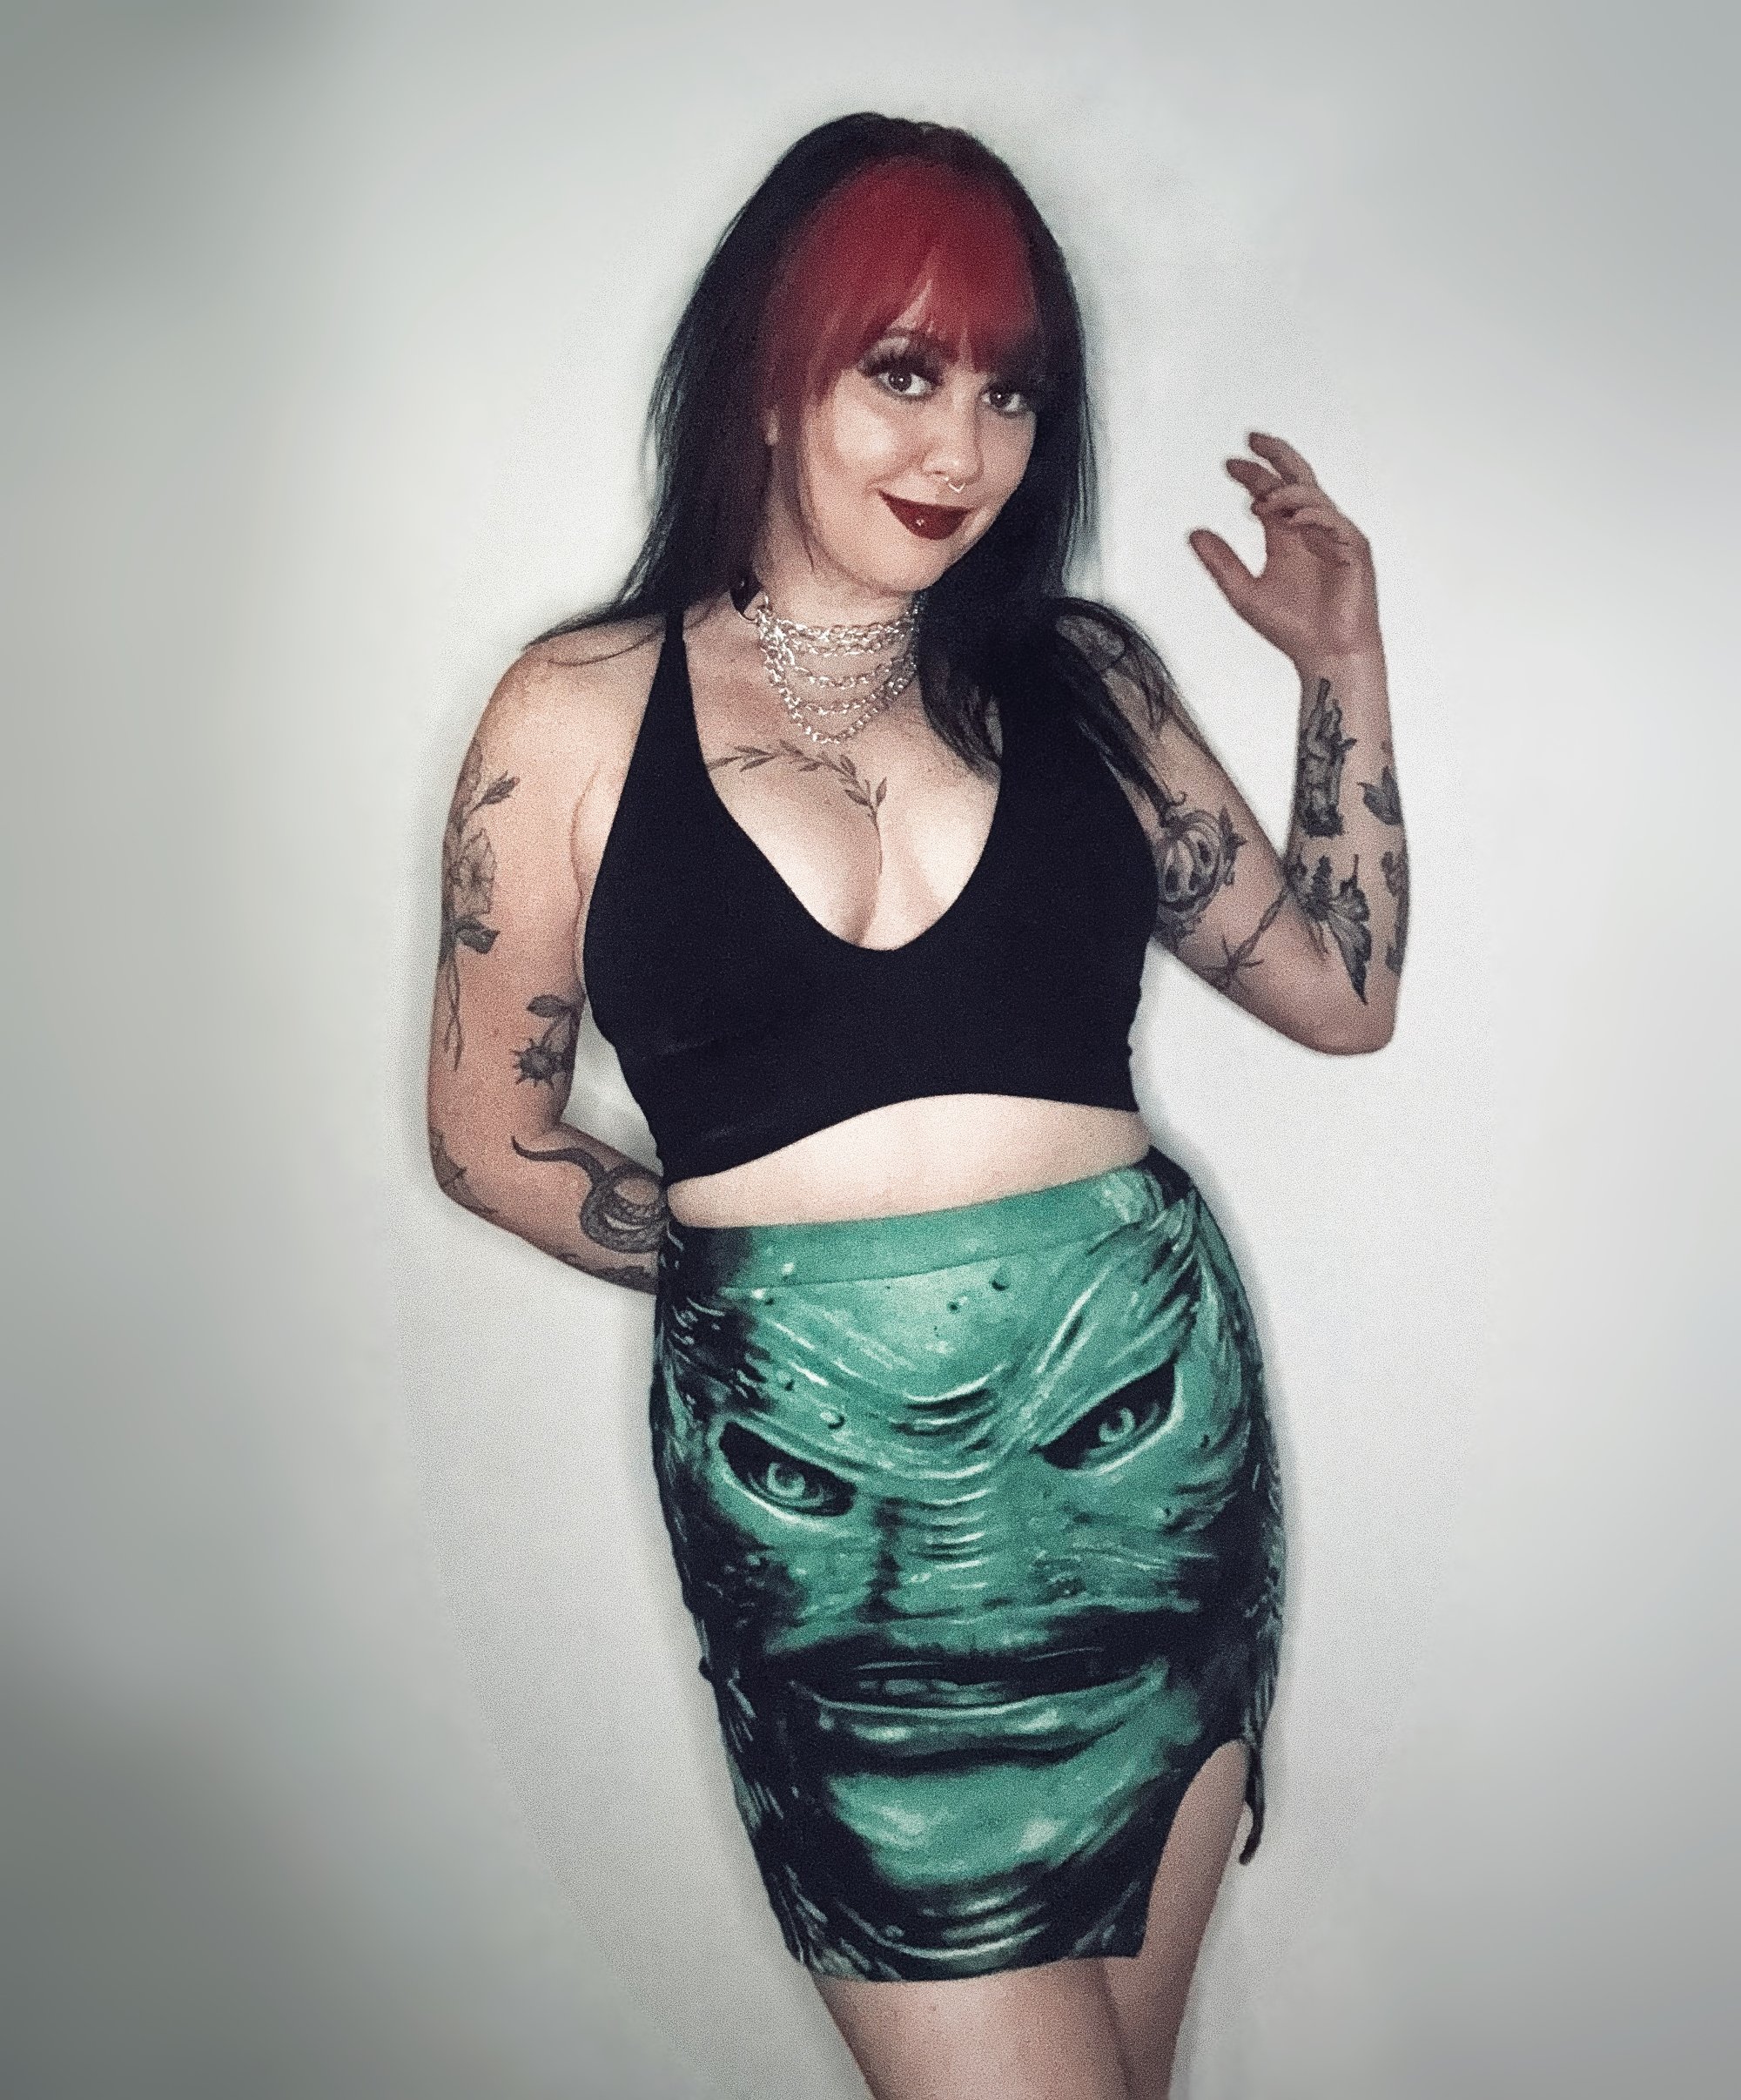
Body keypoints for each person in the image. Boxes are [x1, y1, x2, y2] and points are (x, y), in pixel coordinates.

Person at [427, 111, 1404, 2100]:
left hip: (1146, 1471)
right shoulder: (573, 711)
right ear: (769, 380)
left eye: (1009, 394)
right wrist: (786, 1313)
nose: (961, 449)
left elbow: (1341, 990)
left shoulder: (1086, 686)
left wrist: (1343, 663)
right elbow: (487, 1136)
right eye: (903, 372)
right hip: (834, 1538)